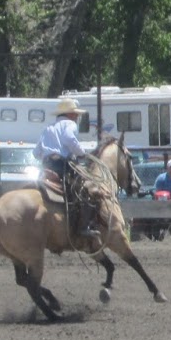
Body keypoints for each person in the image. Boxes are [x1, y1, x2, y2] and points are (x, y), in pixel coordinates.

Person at [37, 98, 100, 241]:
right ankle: (83, 226)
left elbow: (36, 152)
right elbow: (69, 139)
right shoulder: (70, 124)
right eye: (76, 114)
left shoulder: (48, 128)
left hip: (47, 165)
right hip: (62, 164)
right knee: (85, 189)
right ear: (70, 114)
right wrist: (82, 153)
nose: (77, 117)